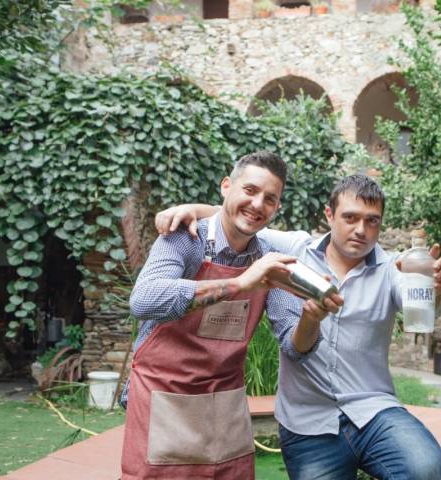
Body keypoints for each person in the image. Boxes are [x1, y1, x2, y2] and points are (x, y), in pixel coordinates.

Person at [156, 174, 441, 480]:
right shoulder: (295, 248)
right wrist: (190, 208)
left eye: (372, 221)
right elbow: (245, 219)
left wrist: (434, 288)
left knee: (428, 470)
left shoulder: (394, 268)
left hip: (373, 410)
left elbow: (415, 300)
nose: (361, 230)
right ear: (329, 215)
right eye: (350, 218)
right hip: (307, 422)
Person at [121, 151, 342, 480]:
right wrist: (240, 283)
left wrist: (312, 318)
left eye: (269, 199)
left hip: (225, 407)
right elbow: (144, 300)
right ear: (227, 186)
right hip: (164, 399)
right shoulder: (185, 238)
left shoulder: (269, 257)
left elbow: (294, 345)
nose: (257, 205)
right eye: (250, 191)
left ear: (276, 208)